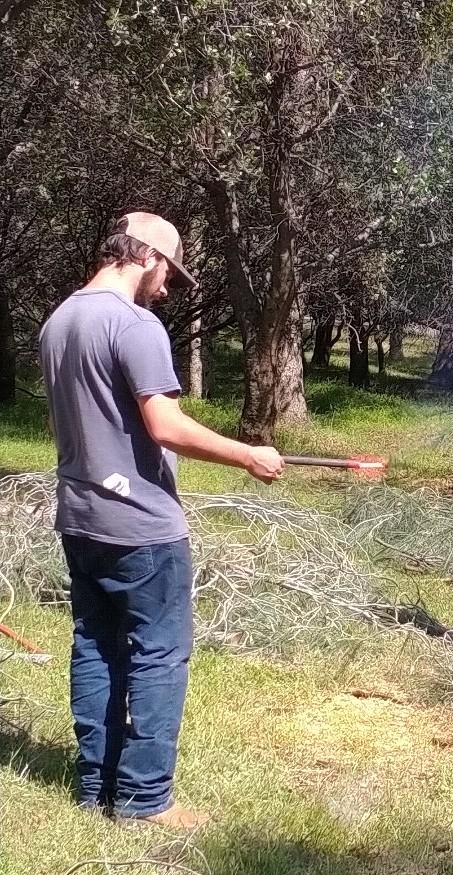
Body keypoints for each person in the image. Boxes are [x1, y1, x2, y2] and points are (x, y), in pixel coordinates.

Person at [38, 212, 284, 830]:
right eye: (168, 271)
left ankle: (95, 786)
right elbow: (166, 426)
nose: (168, 287)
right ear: (145, 256)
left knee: (95, 644)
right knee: (157, 653)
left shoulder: (59, 319)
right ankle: (146, 800)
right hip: (141, 525)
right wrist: (247, 453)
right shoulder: (134, 324)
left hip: (80, 514)